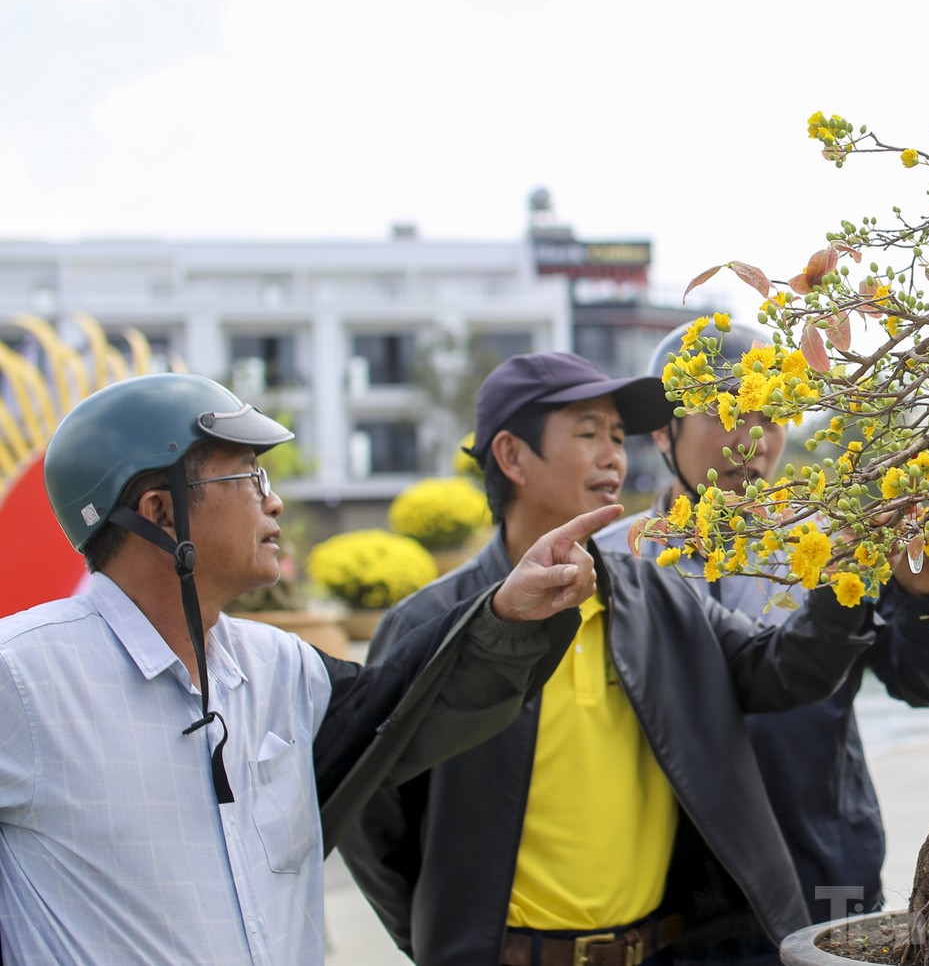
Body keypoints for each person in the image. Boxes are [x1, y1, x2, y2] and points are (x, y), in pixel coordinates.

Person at [0, 373, 604, 966]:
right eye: (248, 477)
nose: (274, 504)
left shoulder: (283, 665)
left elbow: (411, 707)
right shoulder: (14, 676)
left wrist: (505, 613)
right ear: (161, 512)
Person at [341, 351, 878, 966]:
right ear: (513, 456)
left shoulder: (656, 595)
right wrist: (445, 933)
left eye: (619, 437)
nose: (613, 456)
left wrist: (845, 583)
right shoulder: (428, 624)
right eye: (589, 433)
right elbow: (370, 808)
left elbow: (782, 672)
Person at [595, 321, 929, 946]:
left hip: (826, 864)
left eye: (773, 418)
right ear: (663, 431)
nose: (754, 440)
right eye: (728, 414)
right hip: (672, 884)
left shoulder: (831, 547)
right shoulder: (612, 561)